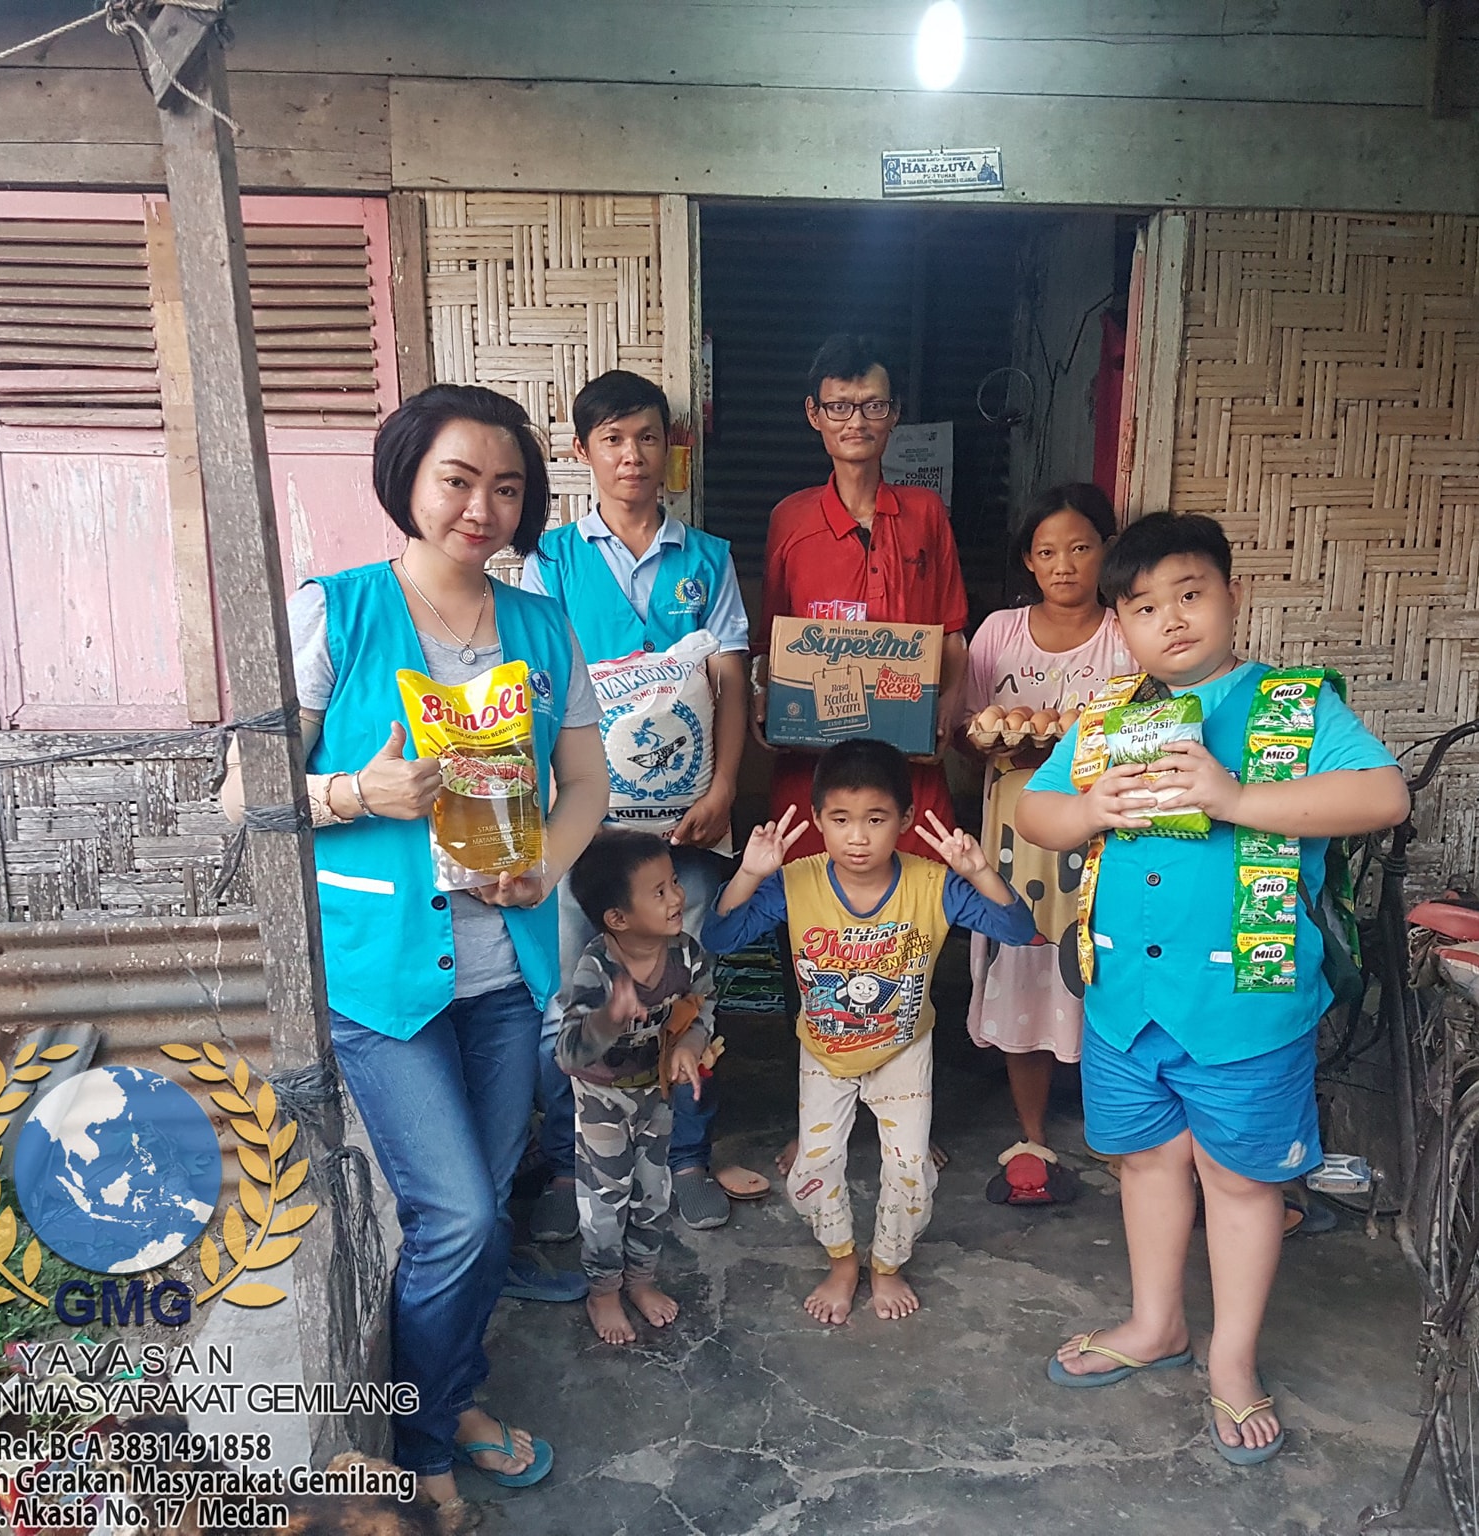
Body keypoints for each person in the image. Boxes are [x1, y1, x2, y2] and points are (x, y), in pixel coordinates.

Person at [223, 384, 610, 1496]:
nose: (481, 508)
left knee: (476, 1221)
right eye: (457, 479)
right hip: (380, 977)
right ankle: (425, 1447)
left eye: (507, 488)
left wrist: (548, 863)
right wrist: (356, 791)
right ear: (407, 480)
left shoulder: (541, 626)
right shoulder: (336, 611)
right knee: (459, 1214)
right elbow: (236, 793)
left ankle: (447, 1399)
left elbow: (585, 781)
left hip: (505, 973)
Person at [1015, 512, 1407, 1465]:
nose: (1173, 619)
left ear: (1234, 595)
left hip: (1246, 1005)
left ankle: (1232, 1358)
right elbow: (1034, 809)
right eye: (1145, 607)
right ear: (1121, 624)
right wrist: (1088, 808)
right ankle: (1158, 1324)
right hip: (1126, 1000)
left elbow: (1382, 795)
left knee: (1241, 1180)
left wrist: (1235, 799)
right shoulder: (1108, 718)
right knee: (1148, 1162)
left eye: (1191, 594)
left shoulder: (1292, 705)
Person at [521, 368, 761, 1236]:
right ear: (582, 451)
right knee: (571, 993)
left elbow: (730, 681)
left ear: (671, 447)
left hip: (684, 828)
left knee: (687, 988)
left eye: (648, 437)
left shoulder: (707, 559)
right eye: (613, 439)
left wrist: (725, 786)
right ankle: (566, 1165)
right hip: (583, 827)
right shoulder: (549, 560)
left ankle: (686, 1152)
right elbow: (535, 688)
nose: (632, 455)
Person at [701, 740, 1037, 1325]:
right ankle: (841, 1260)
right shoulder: (794, 881)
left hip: (904, 1051)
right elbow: (720, 938)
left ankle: (886, 1264)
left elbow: (1018, 929)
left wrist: (980, 872)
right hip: (824, 1053)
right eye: (840, 820)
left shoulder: (933, 884)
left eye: (875, 820)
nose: (857, 838)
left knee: (909, 1171)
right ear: (817, 820)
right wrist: (749, 875)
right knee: (813, 1169)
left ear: (905, 820)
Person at [959, 482, 1130, 1192]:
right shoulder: (998, 632)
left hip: (1102, 837)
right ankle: (1031, 1132)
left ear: (1105, 553)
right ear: (1028, 560)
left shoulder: (1127, 633)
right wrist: (999, 742)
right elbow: (966, 731)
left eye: (1081, 548)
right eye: (1048, 551)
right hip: (1014, 833)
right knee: (1022, 959)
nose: (1064, 565)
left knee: (1102, 964)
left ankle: (1112, 1129)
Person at [754, 334, 972, 863]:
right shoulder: (789, 519)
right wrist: (762, 694)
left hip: (909, 763)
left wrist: (946, 709)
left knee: (924, 892)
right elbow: (768, 642)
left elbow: (952, 633)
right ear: (814, 414)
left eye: (873, 405)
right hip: (815, 767)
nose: (856, 421)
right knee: (807, 894)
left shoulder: (926, 513)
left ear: (894, 413)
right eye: (840, 406)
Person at [553, 830, 716, 1345]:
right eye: (659, 892)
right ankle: (603, 1291)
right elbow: (567, 1054)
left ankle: (641, 1280)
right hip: (601, 1099)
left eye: (674, 883)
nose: (677, 898)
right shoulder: (596, 970)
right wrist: (608, 1019)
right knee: (605, 1200)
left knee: (653, 1194)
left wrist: (690, 1044)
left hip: (655, 1094)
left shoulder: (686, 954)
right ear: (617, 918)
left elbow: (702, 1005)